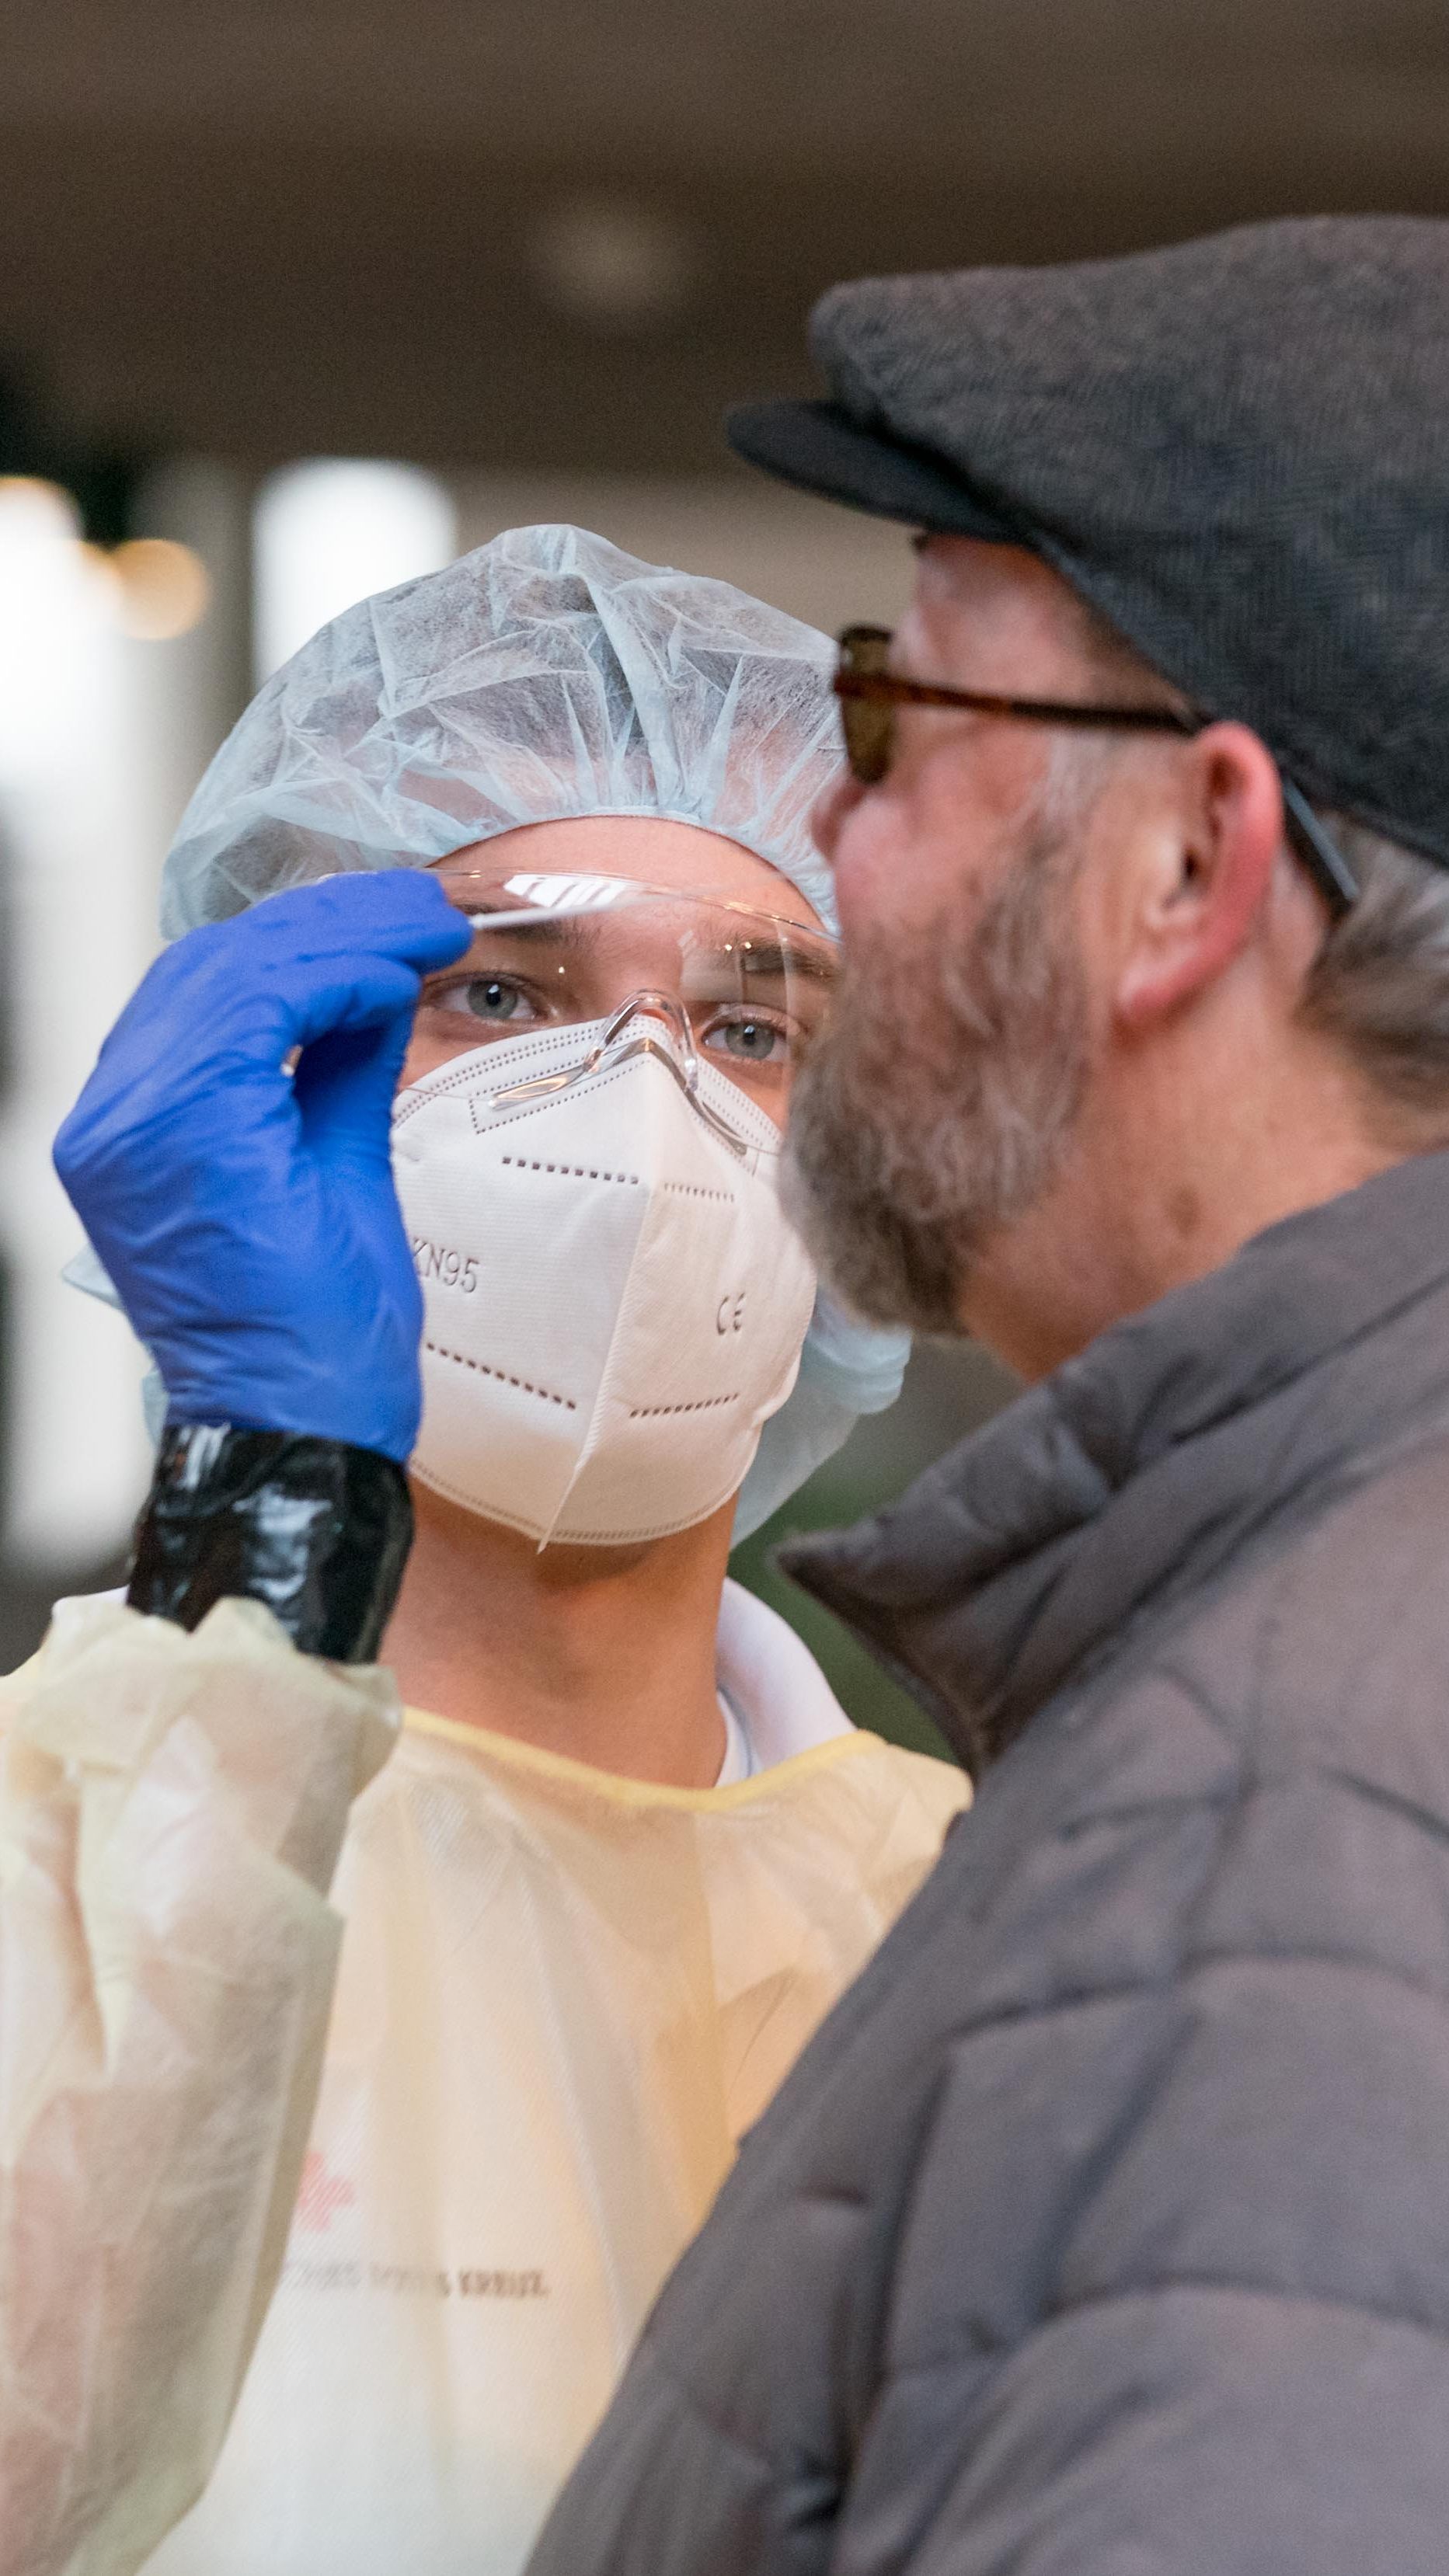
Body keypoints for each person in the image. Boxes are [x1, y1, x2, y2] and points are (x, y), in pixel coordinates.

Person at [521, 218, 1449, 2575]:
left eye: (896, 726)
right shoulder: (1260, 1668)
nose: (831, 847)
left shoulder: (1276, 1851)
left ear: (1190, 864)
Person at [0, 524, 967, 2576]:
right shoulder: (50, 1846)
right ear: (277, 1078)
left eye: (752, 1029)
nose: (638, 1118)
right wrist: (270, 1523)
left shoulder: (974, 1918)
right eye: (503, 996)